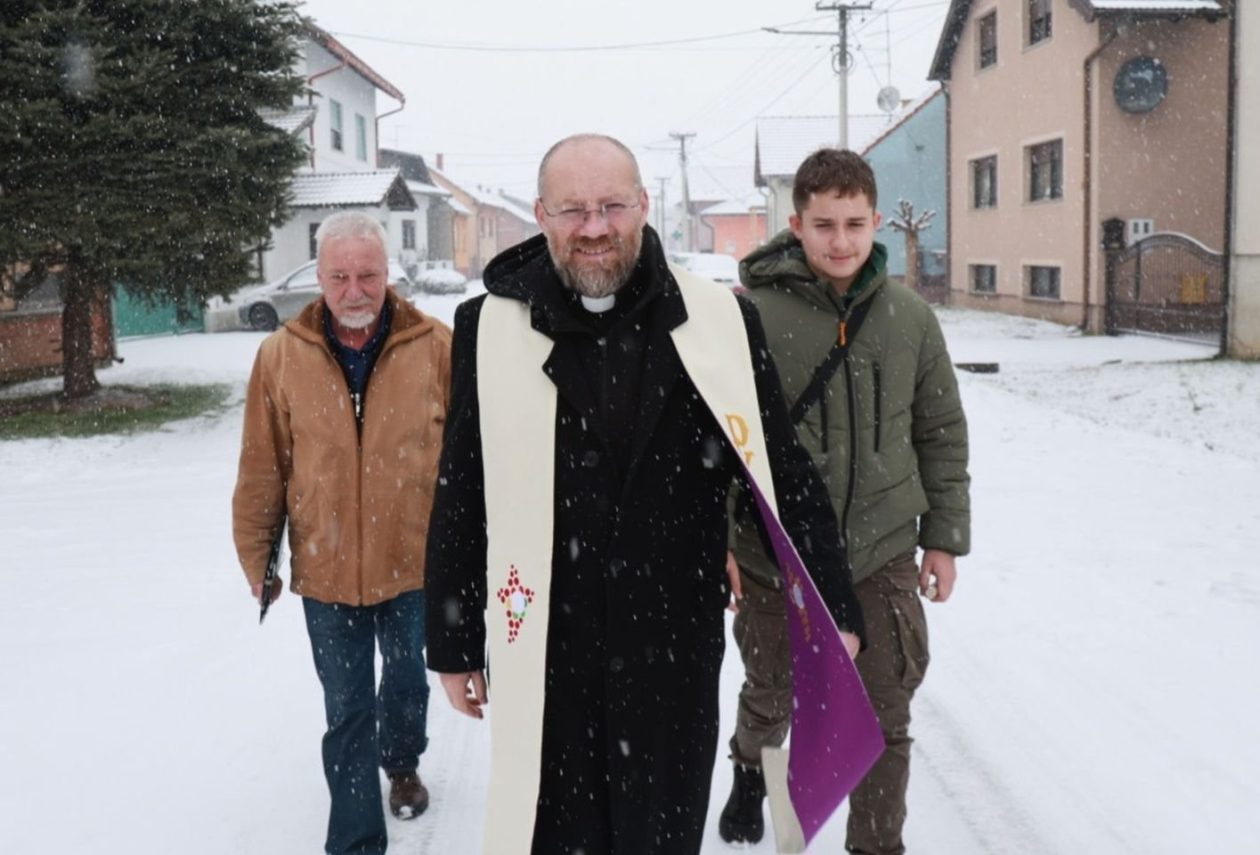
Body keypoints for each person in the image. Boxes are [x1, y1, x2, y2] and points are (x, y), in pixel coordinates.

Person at [423, 133, 866, 855]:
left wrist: (832, 606)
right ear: (541, 213)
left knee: (659, 833)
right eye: (573, 209)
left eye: (612, 206)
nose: (594, 227)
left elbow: (783, 473)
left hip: (672, 648)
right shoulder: (487, 327)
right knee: (557, 834)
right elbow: (462, 485)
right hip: (545, 645)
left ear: (644, 206)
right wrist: (452, 637)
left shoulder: (720, 320)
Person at [717, 148, 971, 854]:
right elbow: (718, 449)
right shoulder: (749, 318)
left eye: (854, 223)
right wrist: (724, 545)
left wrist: (943, 536)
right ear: (795, 224)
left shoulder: (911, 318)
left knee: (884, 718)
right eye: (823, 223)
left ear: (876, 221)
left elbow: (940, 430)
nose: (840, 241)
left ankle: (877, 845)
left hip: (882, 551)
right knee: (772, 692)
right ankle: (748, 762)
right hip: (776, 559)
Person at [231, 211, 452, 855]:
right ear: (318, 278)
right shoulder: (280, 357)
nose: (354, 290)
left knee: (408, 680)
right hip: (325, 568)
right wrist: (256, 556)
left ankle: (404, 759)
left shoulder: (436, 346)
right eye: (339, 276)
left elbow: (470, 464)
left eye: (367, 274)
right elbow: (261, 465)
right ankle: (356, 841)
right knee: (347, 707)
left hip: (413, 561)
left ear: (389, 273)